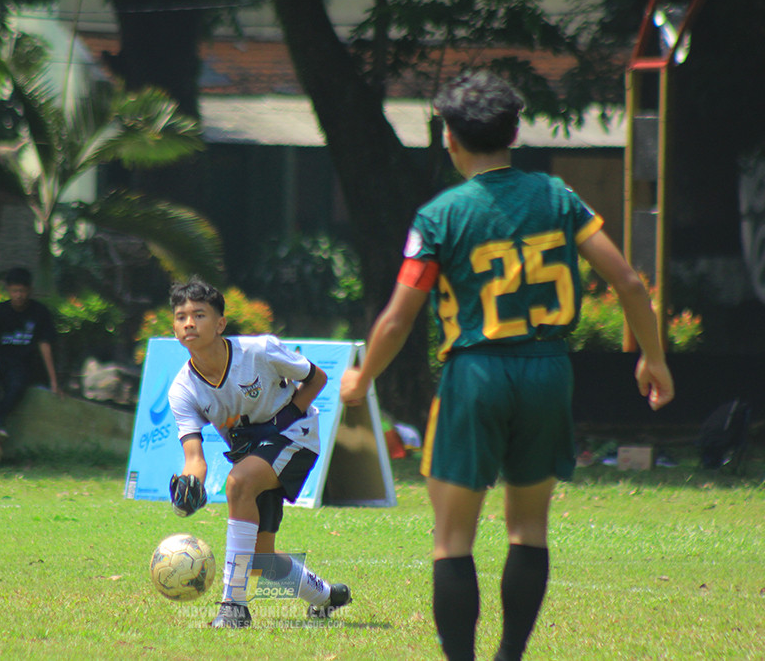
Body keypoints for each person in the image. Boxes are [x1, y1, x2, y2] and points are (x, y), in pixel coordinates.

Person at [339, 72, 675, 661]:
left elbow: (397, 320)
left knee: (452, 540)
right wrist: (652, 357)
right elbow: (625, 280)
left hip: (477, 374)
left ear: (450, 139)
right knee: (528, 529)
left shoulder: (440, 216)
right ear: (513, 132)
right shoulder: (557, 197)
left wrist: (361, 380)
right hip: (547, 371)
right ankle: (509, 657)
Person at [166, 277, 352, 628]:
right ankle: (329, 596)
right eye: (180, 316)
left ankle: (234, 606)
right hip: (252, 454)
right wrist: (189, 488)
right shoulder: (181, 389)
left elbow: (317, 378)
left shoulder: (260, 351)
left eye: (199, 314)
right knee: (260, 559)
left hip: (296, 438)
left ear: (221, 324)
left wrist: (286, 417)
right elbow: (195, 457)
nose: (189, 322)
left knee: (237, 484)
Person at [0, 267, 60, 446]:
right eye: (15, 291)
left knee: (17, 386)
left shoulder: (40, 313)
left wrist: (53, 381)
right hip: (0, 359)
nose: (19, 295)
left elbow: (45, 345)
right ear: (8, 290)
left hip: (23, 363)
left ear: (29, 290)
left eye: (22, 291)